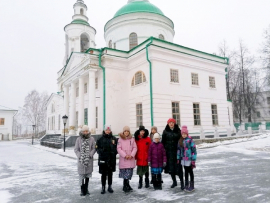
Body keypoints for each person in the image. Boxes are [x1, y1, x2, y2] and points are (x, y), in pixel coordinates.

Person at [74, 125, 96, 196]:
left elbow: (94, 148)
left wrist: (90, 154)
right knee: (81, 176)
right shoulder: (78, 139)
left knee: (87, 176)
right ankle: (82, 190)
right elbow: (76, 149)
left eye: (86, 131)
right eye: (84, 131)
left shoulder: (92, 139)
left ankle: (86, 189)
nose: (85, 132)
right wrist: (80, 155)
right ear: (82, 131)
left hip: (89, 160)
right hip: (81, 160)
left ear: (88, 131)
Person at [96, 125, 118, 194]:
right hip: (103, 159)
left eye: (109, 130)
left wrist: (114, 152)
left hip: (111, 159)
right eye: (106, 130)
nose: (108, 131)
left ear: (110, 131)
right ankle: (103, 187)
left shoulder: (114, 138)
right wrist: (101, 152)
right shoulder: (100, 139)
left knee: (110, 174)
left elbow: (117, 148)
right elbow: (97, 147)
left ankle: (110, 186)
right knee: (103, 174)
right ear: (104, 131)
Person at [162, 118, 181, 188]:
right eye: (170, 122)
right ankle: (174, 181)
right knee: (171, 168)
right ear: (168, 124)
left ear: (174, 123)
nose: (171, 124)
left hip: (177, 152)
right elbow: (163, 142)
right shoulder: (165, 131)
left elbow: (181, 140)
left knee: (178, 168)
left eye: (172, 122)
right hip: (169, 153)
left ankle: (182, 182)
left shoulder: (178, 131)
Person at [117, 126, 138, 192]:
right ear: (123, 132)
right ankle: (125, 186)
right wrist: (125, 155)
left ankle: (127, 185)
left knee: (129, 174)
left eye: (127, 131)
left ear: (129, 132)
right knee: (125, 174)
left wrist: (131, 155)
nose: (126, 132)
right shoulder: (120, 139)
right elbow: (119, 148)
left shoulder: (132, 139)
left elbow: (135, 148)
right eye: (125, 131)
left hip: (130, 159)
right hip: (124, 159)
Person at [177, 125, 197, 192]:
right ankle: (186, 184)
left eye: (185, 134)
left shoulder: (190, 140)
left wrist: (193, 159)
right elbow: (178, 150)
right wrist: (178, 158)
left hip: (189, 159)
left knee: (190, 172)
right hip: (183, 159)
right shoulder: (180, 141)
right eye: (183, 134)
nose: (184, 135)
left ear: (187, 134)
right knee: (185, 172)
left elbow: (194, 150)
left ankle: (192, 185)